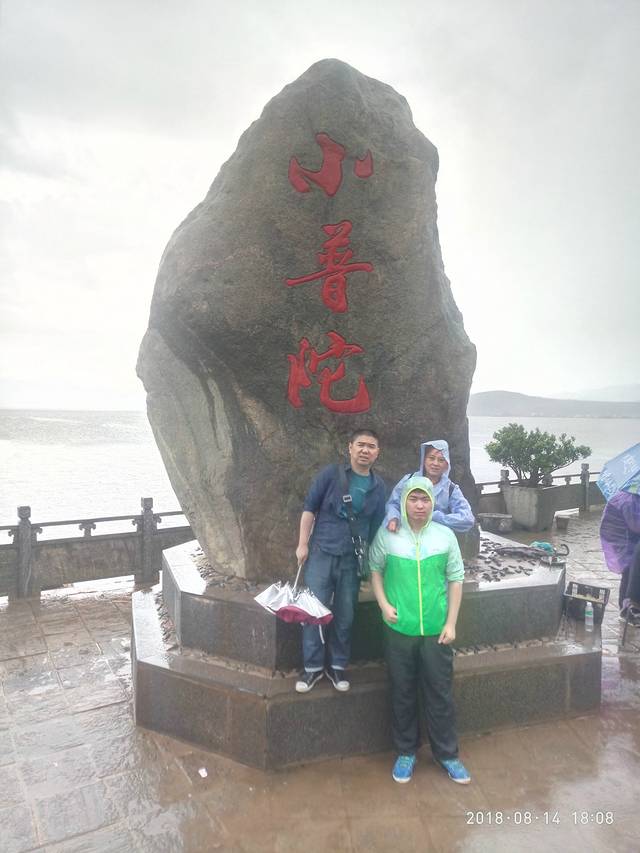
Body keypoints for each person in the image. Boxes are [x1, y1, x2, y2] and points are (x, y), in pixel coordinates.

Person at [369, 475, 470, 785]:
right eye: (413, 499)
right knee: (402, 691)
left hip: (437, 630)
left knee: (440, 692)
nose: (419, 505)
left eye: (425, 499)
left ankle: (447, 754)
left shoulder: (444, 535)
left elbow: (456, 578)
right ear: (404, 502)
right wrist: (384, 605)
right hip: (399, 628)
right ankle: (405, 752)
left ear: (432, 502)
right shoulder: (388, 534)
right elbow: (375, 570)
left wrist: (451, 622)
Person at [295, 428, 386, 693]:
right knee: (314, 611)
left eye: (371, 446)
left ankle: (337, 666)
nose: (365, 450)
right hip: (321, 553)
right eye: (361, 444)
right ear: (350, 447)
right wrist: (302, 544)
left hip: (352, 560)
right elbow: (309, 509)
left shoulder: (378, 486)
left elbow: (377, 526)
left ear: (377, 452)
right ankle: (312, 668)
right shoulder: (331, 475)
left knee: (346, 615)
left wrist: (372, 563)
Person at [383, 439, 474, 534]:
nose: (435, 463)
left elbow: (467, 518)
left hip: (437, 538)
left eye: (441, 460)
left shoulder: (450, 489)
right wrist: (393, 518)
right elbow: (393, 503)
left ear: (446, 464)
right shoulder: (408, 480)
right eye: (431, 458)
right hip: (407, 534)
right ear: (424, 460)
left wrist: (434, 516)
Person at [600, 489, 640, 625]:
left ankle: (626, 608)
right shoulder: (629, 500)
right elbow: (636, 525)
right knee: (630, 573)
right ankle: (627, 610)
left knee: (629, 574)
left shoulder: (629, 494)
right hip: (624, 542)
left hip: (623, 540)